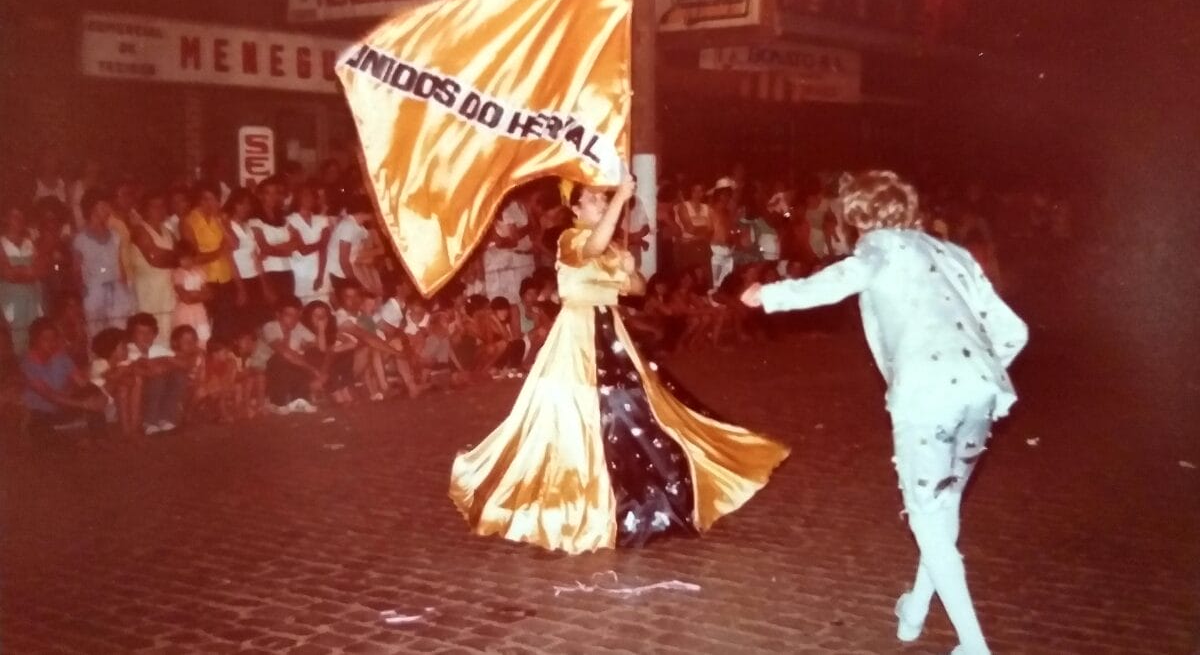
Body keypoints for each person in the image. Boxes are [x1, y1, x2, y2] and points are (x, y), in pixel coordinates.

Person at [741, 171, 1029, 655]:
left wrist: (770, 295)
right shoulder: (953, 253)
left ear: (856, 216)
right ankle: (913, 611)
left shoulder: (879, 246)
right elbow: (1014, 331)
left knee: (928, 515)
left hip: (926, 395)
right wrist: (974, 370)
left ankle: (974, 645)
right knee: (941, 506)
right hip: (982, 389)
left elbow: (839, 281)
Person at [450, 173, 789, 554]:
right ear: (575, 207)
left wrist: (630, 270)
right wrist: (620, 198)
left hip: (610, 330)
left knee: (636, 405)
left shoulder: (610, 245)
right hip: (578, 333)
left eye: (603, 198)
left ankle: (628, 484)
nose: (600, 203)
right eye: (594, 199)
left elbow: (636, 290)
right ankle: (576, 487)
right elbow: (592, 246)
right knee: (580, 409)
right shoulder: (570, 238)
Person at [21, 317, 108, 445]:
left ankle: (98, 439)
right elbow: (48, 395)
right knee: (45, 434)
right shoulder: (28, 365)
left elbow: (82, 382)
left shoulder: (61, 358)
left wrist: (100, 395)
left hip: (65, 406)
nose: (51, 343)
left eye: (53, 339)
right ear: (34, 340)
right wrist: (83, 404)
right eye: (45, 339)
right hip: (41, 413)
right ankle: (73, 439)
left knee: (92, 394)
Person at [73, 190, 135, 339]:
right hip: (94, 296)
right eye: (103, 207)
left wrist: (126, 293)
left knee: (118, 334)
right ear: (91, 209)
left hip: (117, 294)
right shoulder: (80, 240)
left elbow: (120, 268)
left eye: (108, 206)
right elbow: (76, 272)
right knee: (97, 337)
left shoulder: (115, 236)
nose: (108, 210)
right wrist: (83, 298)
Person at [181, 183, 239, 345]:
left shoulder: (220, 218)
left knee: (225, 327)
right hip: (203, 281)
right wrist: (220, 251)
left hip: (224, 278)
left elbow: (234, 244)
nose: (209, 203)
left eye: (213, 199)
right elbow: (193, 257)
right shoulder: (189, 221)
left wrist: (222, 223)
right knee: (204, 326)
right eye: (205, 199)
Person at [257, 296, 322, 414]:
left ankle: (300, 400)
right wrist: (311, 368)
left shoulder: (298, 327)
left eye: (296, 316)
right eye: (289, 315)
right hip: (267, 369)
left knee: (305, 356)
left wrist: (308, 345)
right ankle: (278, 403)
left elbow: (316, 344)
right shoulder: (270, 327)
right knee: (282, 359)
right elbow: (284, 352)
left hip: (291, 366)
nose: (293, 320)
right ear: (278, 315)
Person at [126, 312, 187, 435]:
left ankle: (166, 418)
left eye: (149, 333)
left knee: (178, 375)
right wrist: (160, 364)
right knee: (158, 378)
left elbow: (183, 364)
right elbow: (143, 367)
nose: (145, 337)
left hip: (158, 386)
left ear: (155, 334)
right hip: (136, 389)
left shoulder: (157, 349)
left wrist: (166, 360)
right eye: (140, 333)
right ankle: (149, 421)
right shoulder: (128, 349)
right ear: (132, 335)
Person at [129, 192, 178, 345]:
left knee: (168, 332)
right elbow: (154, 259)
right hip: (148, 292)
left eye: (162, 206)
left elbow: (182, 254)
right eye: (154, 206)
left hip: (167, 291)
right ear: (145, 209)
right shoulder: (140, 230)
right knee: (149, 334)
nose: (160, 209)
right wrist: (176, 259)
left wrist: (171, 257)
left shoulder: (168, 232)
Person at [224, 188, 272, 331]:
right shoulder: (227, 226)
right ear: (233, 204)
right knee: (242, 325)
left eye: (248, 204)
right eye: (241, 204)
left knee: (258, 322)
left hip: (254, 279)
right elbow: (229, 260)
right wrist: (240, 288)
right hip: (238, 281)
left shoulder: (250, 226)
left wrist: (265, 285)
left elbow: (256, 257)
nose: (245, 207)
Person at [1, 207, 45, 354]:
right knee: (15, 344)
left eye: (21, 217)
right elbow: (7, 274)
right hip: (12, 304)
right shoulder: (2, 244)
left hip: (32, 302)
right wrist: (28, 270)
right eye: (14, 217)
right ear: (6, 219)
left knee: (35, 343)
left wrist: (17, 270)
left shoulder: (29, 243)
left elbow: (40, 270)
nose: (19, 221)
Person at [88, 327, 142, 438]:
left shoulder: (122, 363)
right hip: (99, 403)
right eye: (123, 346)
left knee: (136, 381)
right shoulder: (99, 364)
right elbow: (112, 378)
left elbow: (131, 380)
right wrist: (124, 371)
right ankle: (126, 430)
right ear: (112, 350)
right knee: (122, 387)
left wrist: (128, 371)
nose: (127, 349)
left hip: (113, 401)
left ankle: (133, 427)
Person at [251, 177, 296, 301]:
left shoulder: (284, 219)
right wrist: (285, 250)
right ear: (260, 195)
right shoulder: (255, 220)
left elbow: (295, 243)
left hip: (287, 270)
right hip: (268, 272)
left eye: (275, 193)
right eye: (268, 193)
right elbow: (264, 247)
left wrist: (273, 249)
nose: (272, 197)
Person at [286, 185, 332, 304]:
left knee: (323, 304)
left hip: (321, 271)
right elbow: (303, 250)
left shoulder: (322, 220)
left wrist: (320, 276)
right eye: (305, 195)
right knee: (303, 306)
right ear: (298, 198)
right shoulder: (289, 220)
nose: (309, 199)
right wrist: (322, 243)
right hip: (301, 272)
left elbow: (324, 250)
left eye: (311, 196)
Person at [325, 197, 372, 292]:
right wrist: (355, 283)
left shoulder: (359, 228)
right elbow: (343, 261)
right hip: (336, 273)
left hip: (345, 272)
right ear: (364, 212)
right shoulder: (348, 226)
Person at [171, 241, 213, 348]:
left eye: (190, 258)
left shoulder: (199, 271)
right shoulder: (178, 273)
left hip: (199, 310)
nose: (187, 261)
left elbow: (209, 294)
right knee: (186, 338)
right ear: (177, 259)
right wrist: (200, 295)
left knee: (203, 337)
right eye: (183, 259)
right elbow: (185, 299)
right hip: (185, 311)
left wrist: (193, 294)